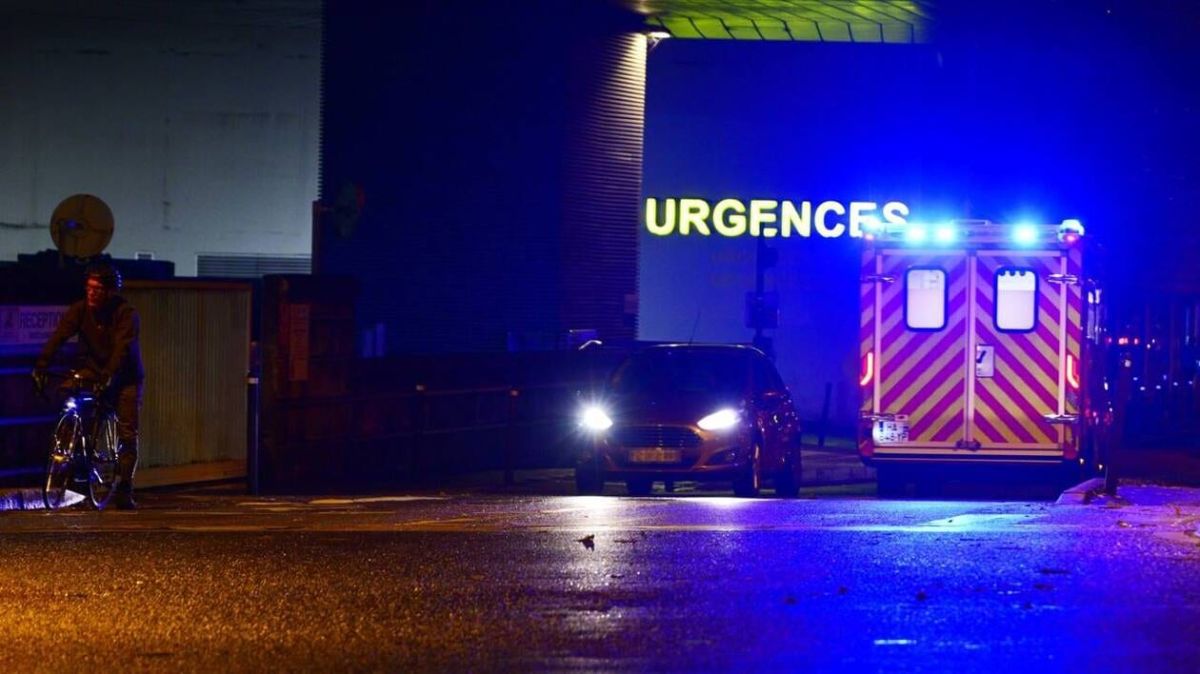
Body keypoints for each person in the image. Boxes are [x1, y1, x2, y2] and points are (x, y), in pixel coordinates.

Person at [32, 262, 144, 509]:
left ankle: (125, 487)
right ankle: (76, 463)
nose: (92, 293)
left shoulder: (125, 314)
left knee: (127, 432)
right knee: (75, 403)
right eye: (89, 287)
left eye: (98, 289)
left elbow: (122, 349)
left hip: (125, 376)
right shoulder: (80, 310)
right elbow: (59, 336)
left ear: (109, 292)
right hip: (92, 369)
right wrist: (41, 365)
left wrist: (109, 375)